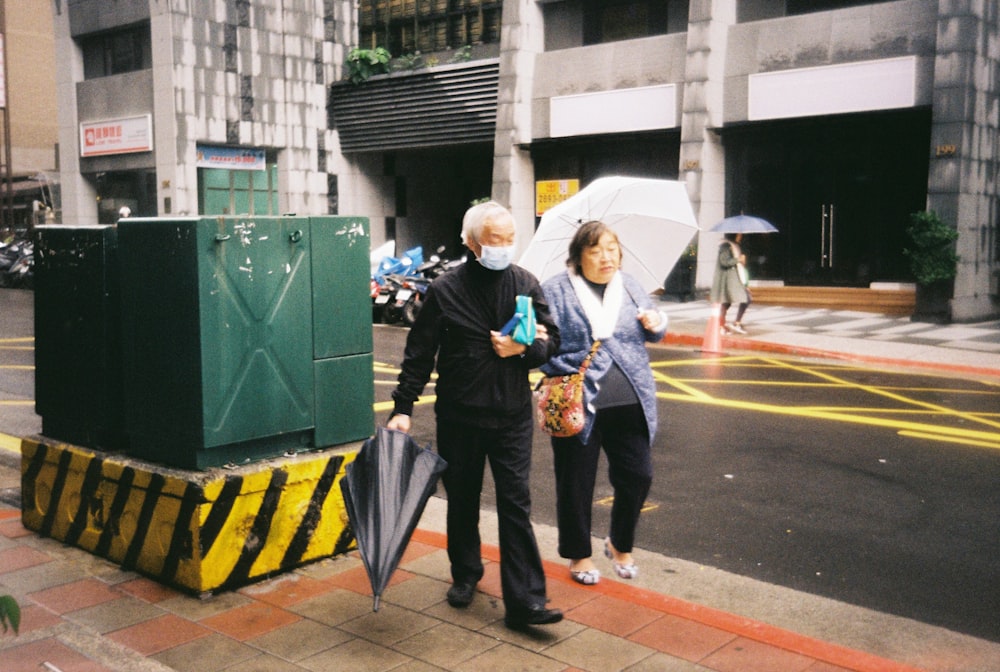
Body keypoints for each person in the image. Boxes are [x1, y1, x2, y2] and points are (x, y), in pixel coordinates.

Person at [386, 200, 564, 630]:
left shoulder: (526, 284)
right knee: (462, 500)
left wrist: (525, 350)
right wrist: (402, 409)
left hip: (511, 417)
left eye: (509, 239)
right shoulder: (445, 291)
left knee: (515, 504)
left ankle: (524, 602)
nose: (503, 247)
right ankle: (466, 575)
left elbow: (553, 340)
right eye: (493, 240)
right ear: (471, 242)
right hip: (459, 415)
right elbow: (419, 353)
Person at [539, 220, 666, 586]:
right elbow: (542, 346)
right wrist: (568, 365)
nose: (606, 256)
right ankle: (579, 555)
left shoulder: (630, 287)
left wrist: (655, 321)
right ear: (579, 256)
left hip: (631, 400)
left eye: (612, 248)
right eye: (595, 250)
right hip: (578, 403)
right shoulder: (556, 291)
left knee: (638, 476)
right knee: (576, 482)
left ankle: (619, 542)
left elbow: (654, 329)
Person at [711, 232, 750, 334]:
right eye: (739, 234)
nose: (741, 236)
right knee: (741, 299)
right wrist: (738, 259)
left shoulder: (734, 246)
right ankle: (729, 324)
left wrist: (740, 261)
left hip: (734, 279)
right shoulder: (726, 246)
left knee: (727, 302)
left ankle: (723, 325)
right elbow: (724, 261)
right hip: (728, 279)